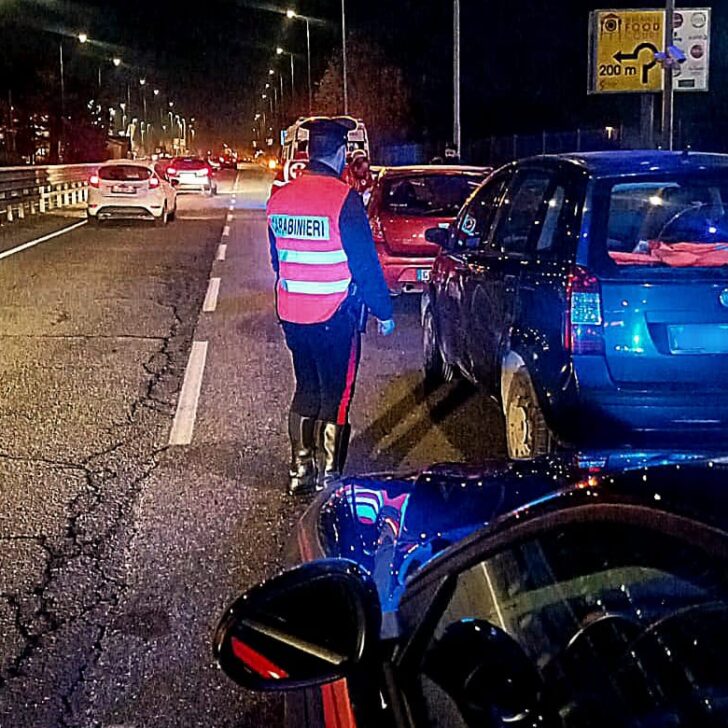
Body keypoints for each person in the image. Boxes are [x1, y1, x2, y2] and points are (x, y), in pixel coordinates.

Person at [266, 117, 395, 495]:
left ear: (308, 153)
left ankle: (299, 469)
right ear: (339, 153)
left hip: (292, 314)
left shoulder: (279, 199)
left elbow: (278, 260)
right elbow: (365, 264)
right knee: (337, 394)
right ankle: (329, 477)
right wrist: (383, 312)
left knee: (306, 387)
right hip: (335, 315)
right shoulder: (344, 200)